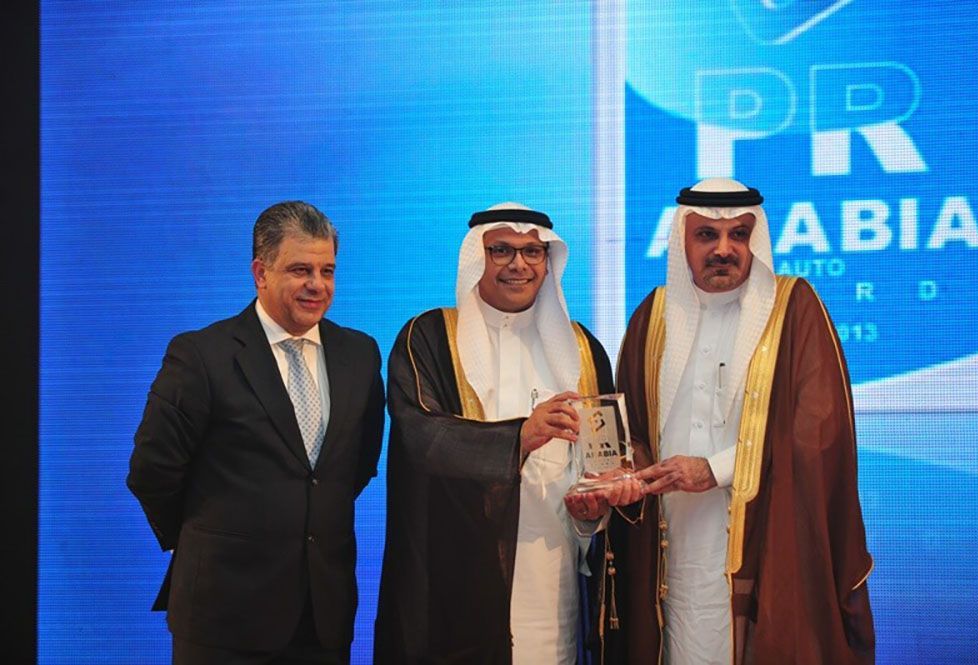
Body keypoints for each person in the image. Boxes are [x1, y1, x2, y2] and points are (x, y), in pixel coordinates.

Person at [602, 178, 875, 664]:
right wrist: (622, 473)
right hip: (673, 552)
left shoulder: (793, 309)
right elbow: (634, 432)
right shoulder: (653, 317)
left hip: (768, 544)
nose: (724, 249)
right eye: (707, 235)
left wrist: (717, 469)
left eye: (739, 235)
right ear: (683, 241)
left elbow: (817, 435)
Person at [373, 203, 637, 664]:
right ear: (477, 257)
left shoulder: (583, 349)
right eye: (501, 250)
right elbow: (423, 439)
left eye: (533, 252)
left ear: (548, 261)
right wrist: (521, 437)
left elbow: (600, 465)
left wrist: (590, 515)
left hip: (553, 581)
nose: (519, 264)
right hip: (456, 592)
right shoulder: (429, 337)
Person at [127, 201, 385, 664]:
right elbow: (152, 471)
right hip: (223, 614)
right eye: (301, 270)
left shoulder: (360, 354)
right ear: (260, 273)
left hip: (323, 618)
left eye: (327, 271)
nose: (317, 285)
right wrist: (208, 538)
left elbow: (355, 467)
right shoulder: (202, 356)